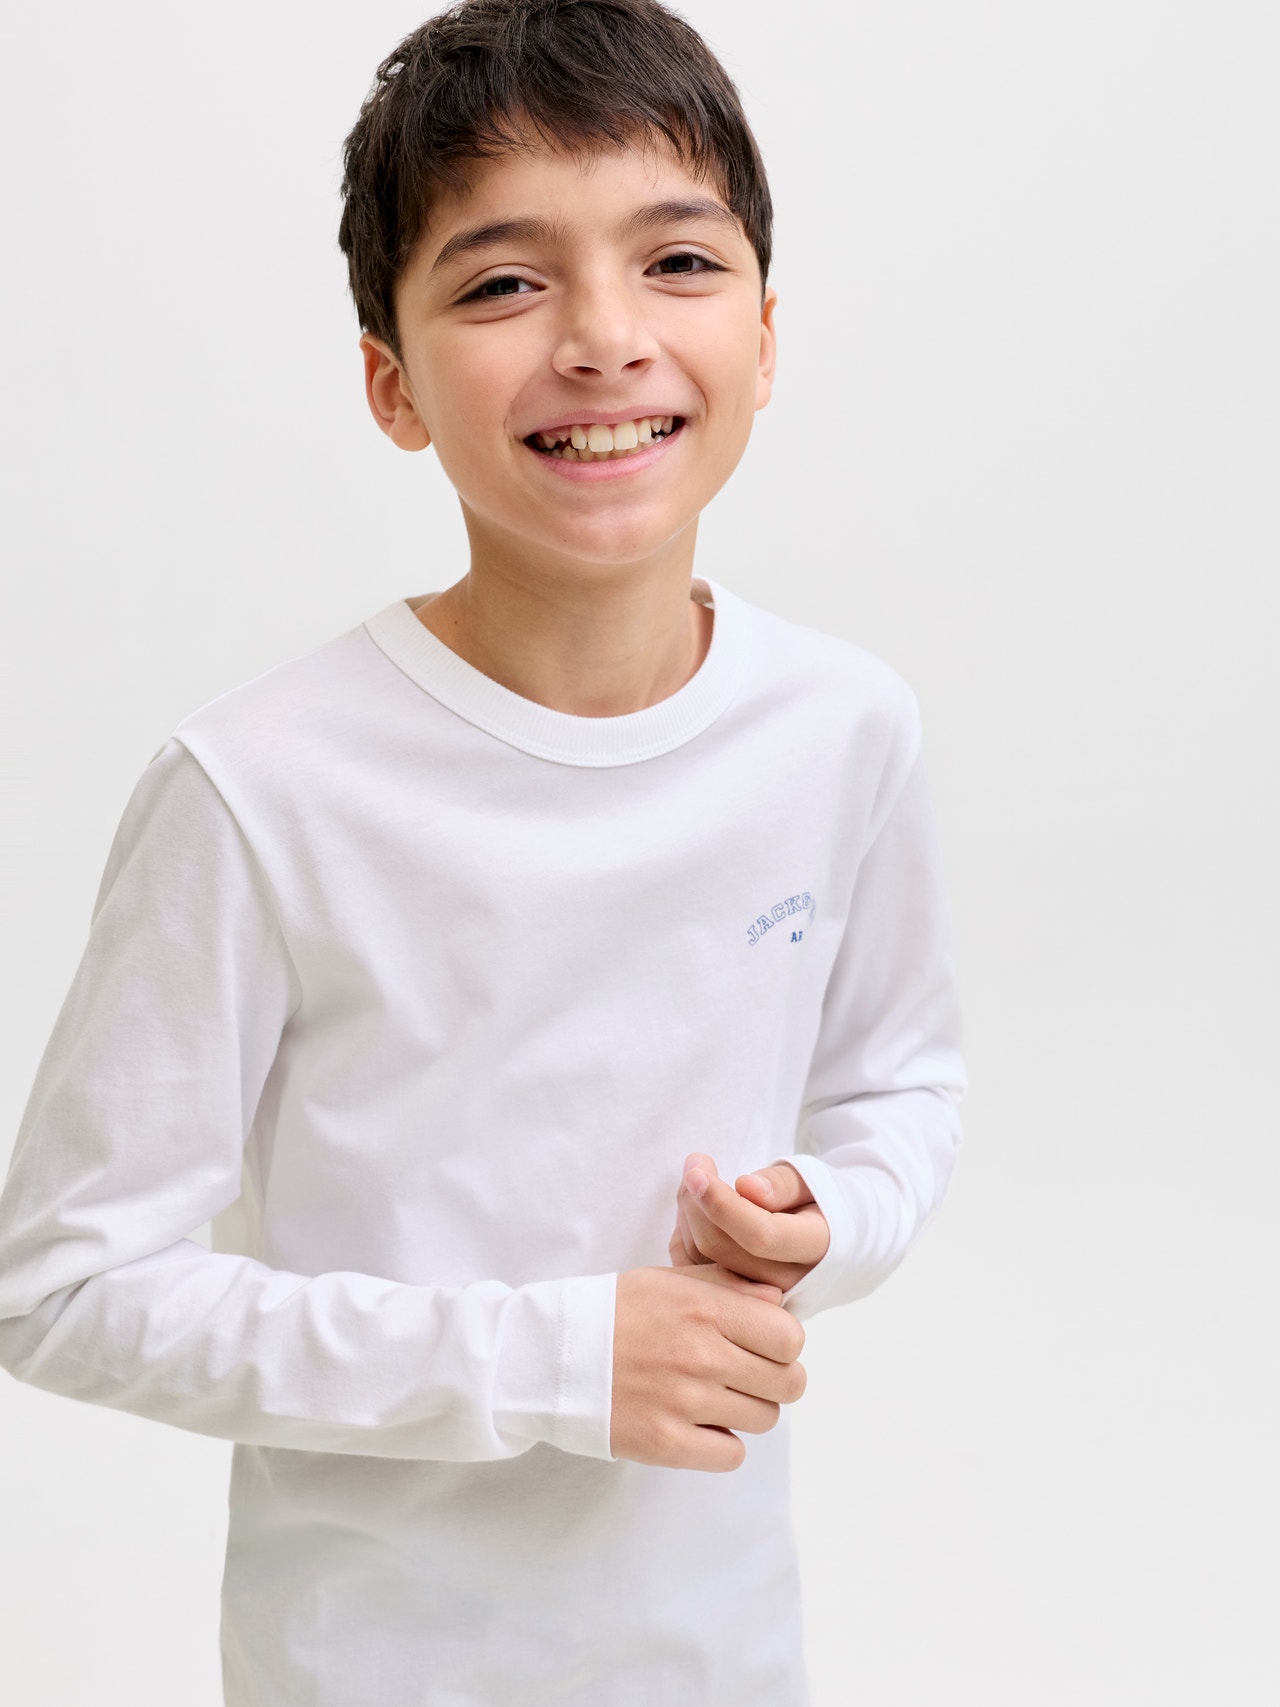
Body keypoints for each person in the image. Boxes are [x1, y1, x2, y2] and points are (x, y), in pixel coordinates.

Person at [0, 1, 967, 1701]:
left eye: (677, 261)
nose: (604, 338)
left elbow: (902, 1087)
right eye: (505, 282)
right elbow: (63, 1288)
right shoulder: (257, 789)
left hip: (723, 1659)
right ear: (393, 384)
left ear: (764, 333)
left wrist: (833, 1216)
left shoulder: (844, 730)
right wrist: (559, 1360)